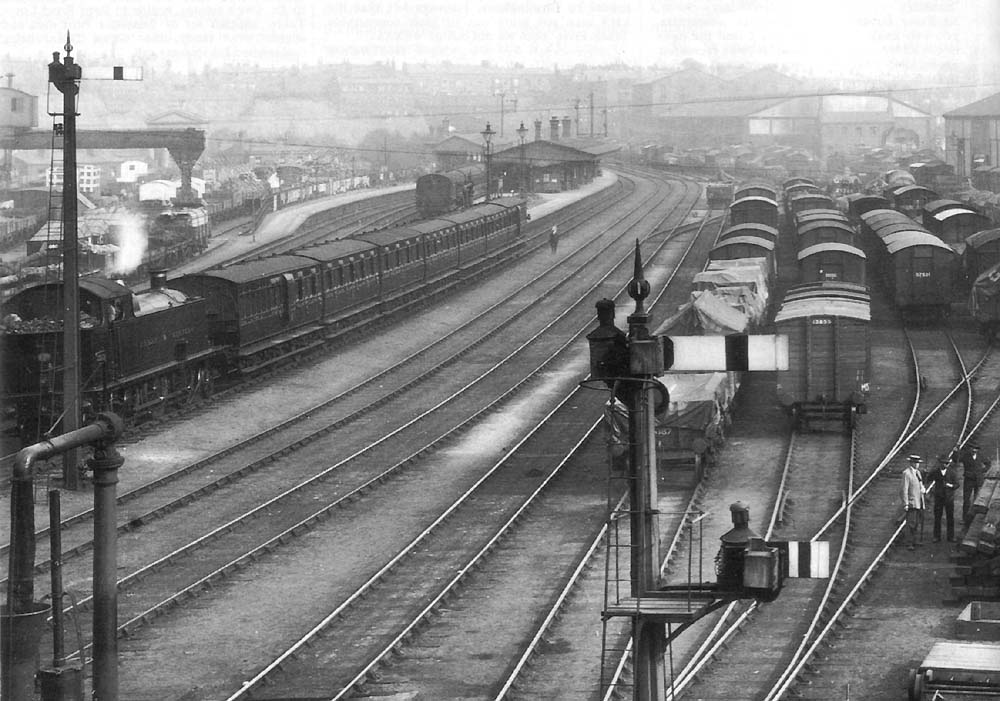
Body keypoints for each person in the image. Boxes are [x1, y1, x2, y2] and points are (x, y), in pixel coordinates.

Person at [925, 453, 959, 542]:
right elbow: (928, 479)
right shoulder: (935, 472)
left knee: (950, 518)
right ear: (940, 463)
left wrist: (950, 485)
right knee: (937, 518)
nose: (945, 465)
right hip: (939, 498)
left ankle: (951, 536)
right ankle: (936, 536)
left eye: (947, 463)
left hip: (949, 499)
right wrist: (925, 473)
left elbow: (957, 484)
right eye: (943, 463)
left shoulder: (952, 472)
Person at [901, 454, 925, 550]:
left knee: (916, 523)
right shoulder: (906, 473)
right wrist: (905, 503)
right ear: (911, 463)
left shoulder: (918, 473)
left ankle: (914, 540)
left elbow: (920, 484)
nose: (917, 464)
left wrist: (922, 488)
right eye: (915, 463)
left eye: (918, 463)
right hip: (912, 502)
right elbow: (904, 489)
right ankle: (909, 542)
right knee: (911, 523)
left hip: (919, 502)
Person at [960, 443, 984, 526]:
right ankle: (964, 518)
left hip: (978, 480)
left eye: (976, 448)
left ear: (977, 450)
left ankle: (973, 518)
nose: (974, 450)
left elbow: (988, 463)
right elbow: (956, 459)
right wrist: (956, 450)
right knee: (966, 500)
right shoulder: (966, 456)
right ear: (970, 449)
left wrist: (983, 471)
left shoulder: (981, 456)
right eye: (973, 448)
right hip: (968, 480)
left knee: (976, 499)